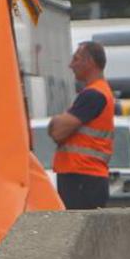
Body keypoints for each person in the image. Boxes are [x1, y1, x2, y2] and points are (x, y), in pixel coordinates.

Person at [48, 41, 114, 210]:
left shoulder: (94, 95)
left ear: (89, 62)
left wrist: (56, 122)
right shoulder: (95, 92)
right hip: (84, 176)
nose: (71, 65)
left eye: (76, 59)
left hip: (83, 176)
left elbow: (58, 132)